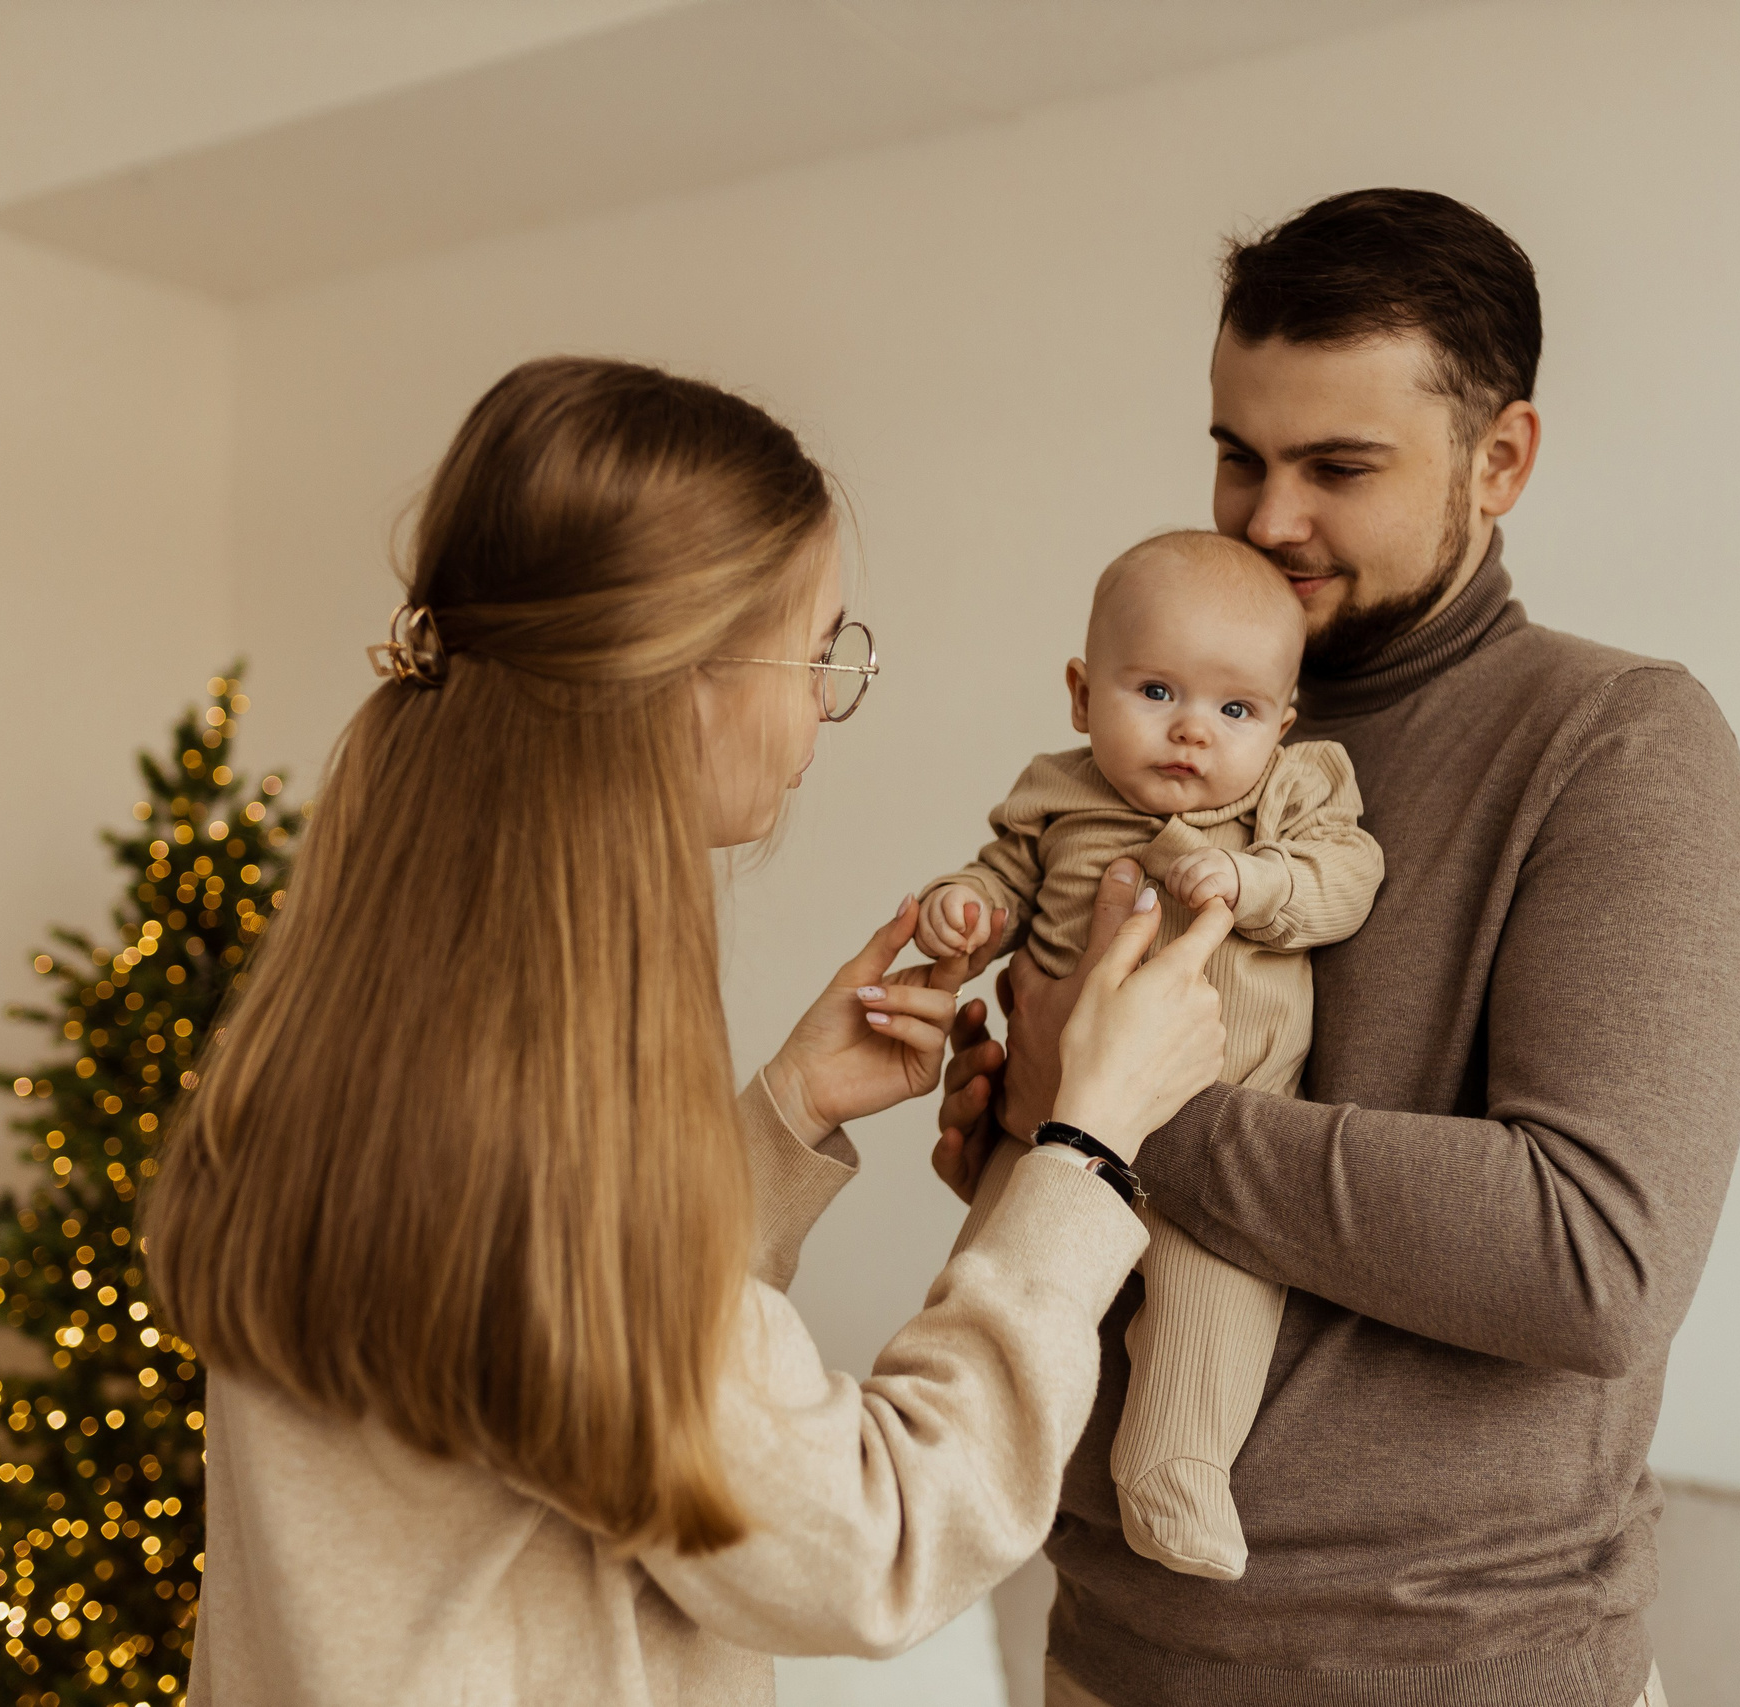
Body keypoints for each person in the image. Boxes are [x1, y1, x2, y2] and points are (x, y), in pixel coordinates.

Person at [143, 356, 1239, 1706]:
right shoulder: (533, 1136)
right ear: (692, 679)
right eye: (820, 649)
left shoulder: (372, 1043)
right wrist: (1087, 1142)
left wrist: (780, 1118)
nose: (824, 699)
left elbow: (584, 1376)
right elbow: (882, 1533)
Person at [935, 190, 1740, 1707]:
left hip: (1453, 1672)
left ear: (1499, 459)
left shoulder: (1618, 742)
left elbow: (1593, 1261)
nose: (1266, 521)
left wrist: (1119, 1111)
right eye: (1238, 455)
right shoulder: (1169, 720)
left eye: (1337, 467)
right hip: (1104, 1652)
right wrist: (1030, 1143)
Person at [916, 528, 1381, 1581]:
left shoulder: (1291, 792)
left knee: (1211, 1306)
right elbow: (1002, 878)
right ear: (1083, 694)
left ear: (1282, 722)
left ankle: (1176, 1470)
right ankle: (959, 1460)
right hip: (1052, 1127)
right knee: (995, 1276)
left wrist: (1255, 883)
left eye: (1236, 710)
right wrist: (966, 909)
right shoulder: (1058, 793)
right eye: (1156, 691)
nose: (1191, 731)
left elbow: (1347, 878)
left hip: (1221, 1134)